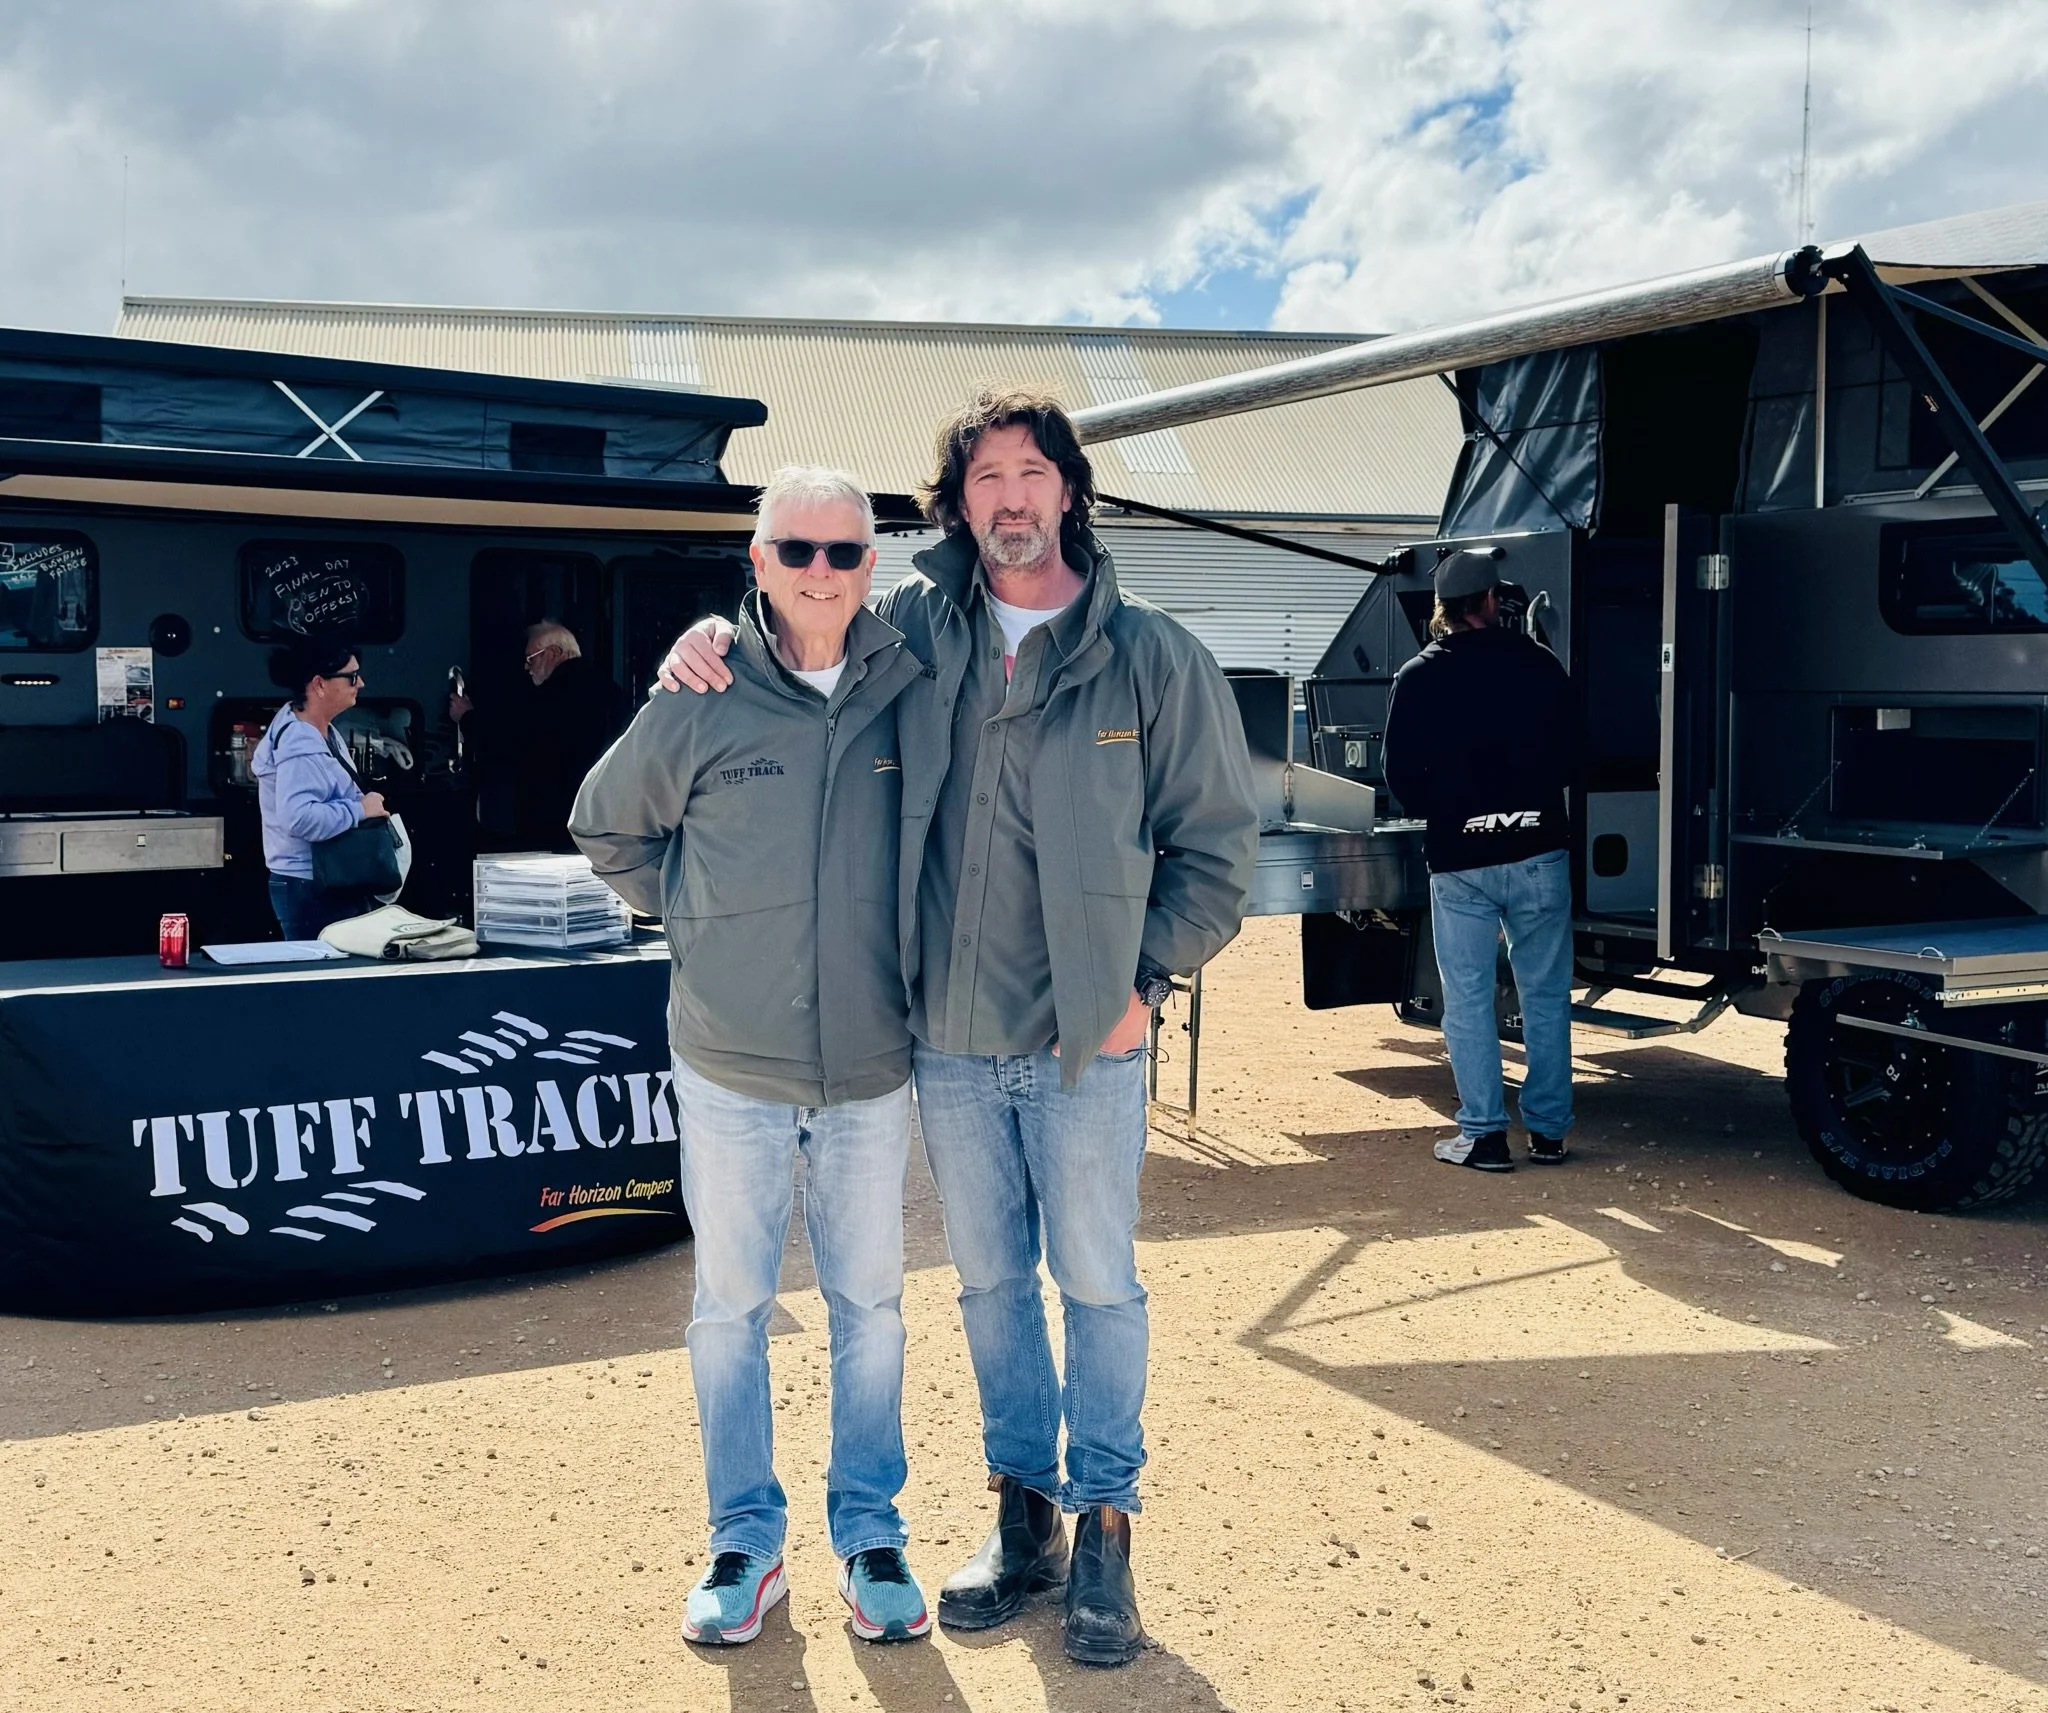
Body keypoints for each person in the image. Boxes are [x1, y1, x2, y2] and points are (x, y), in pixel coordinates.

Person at [660, 388, 1258, 1667]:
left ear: (1067, 492)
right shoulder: (913, 635)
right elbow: (797, 636)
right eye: (985, 475)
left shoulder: (1149, 656)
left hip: (1086, 1040)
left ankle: (1104, 1530)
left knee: (1096, 1283)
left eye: (1032, 471)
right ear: (957, 504)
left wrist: (1143, 987)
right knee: (989, 1287)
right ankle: (1021, 1515)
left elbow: (1217, 852)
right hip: (947, 1036)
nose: (1010, 495)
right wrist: (711, 631)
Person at [571, 467, 930, 1648]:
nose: (820, 572)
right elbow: (606, 824)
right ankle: (744, 1540)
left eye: (842, 552)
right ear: (758, 559)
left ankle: (869, 1532)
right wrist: (701, 920)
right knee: (729, 1307)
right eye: (796, 550)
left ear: (870, 564)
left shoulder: (913, 682)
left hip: (872, 1060)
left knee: (869, 1307)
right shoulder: (703, 688)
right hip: (730, 1061)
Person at [1380, 547, 1579, 1172]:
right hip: (1539, 850)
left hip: (1460, 859)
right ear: (1493, 602)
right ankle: (1548, 1134)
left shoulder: (1418, 675)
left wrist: (1454, 807)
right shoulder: (1542, 665)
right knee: (1544, 996)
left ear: (1443, 609)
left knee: (1466, 999)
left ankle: (1485, 1136)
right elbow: (1577, 756)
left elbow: (1402, 779)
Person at [450, 620, 632, 851]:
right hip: (608, 820)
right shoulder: (614, 692)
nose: (527, 668)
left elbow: (512, 742)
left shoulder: (554, 693)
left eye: (531, 658)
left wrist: (466, 718)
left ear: (554, 653)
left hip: (557, 819)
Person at [252, 637, 388, 942]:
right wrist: (360, 809)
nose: (361, 683)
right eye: (352, 676)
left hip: (318, 882)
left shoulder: (312, 728)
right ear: (319, 684)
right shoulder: (301, 741)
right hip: (312, 887)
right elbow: (298, 818)